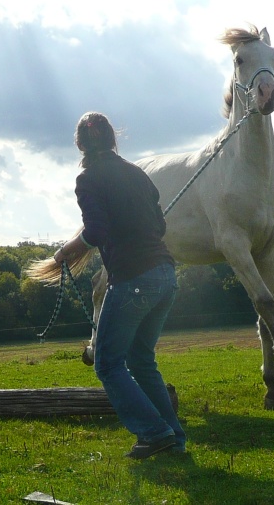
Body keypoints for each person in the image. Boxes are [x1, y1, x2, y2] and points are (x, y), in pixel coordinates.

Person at [53, 111, 185, 458]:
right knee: (142, 360)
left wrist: (66, 251)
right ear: (113, 138)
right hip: (165, 275)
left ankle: (154, 433)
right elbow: (159, 225)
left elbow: (96, 232)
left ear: (79, 144)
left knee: (108, 364)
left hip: (132, 281)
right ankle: (174, 439)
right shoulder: (138, 174)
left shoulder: (88, 180)